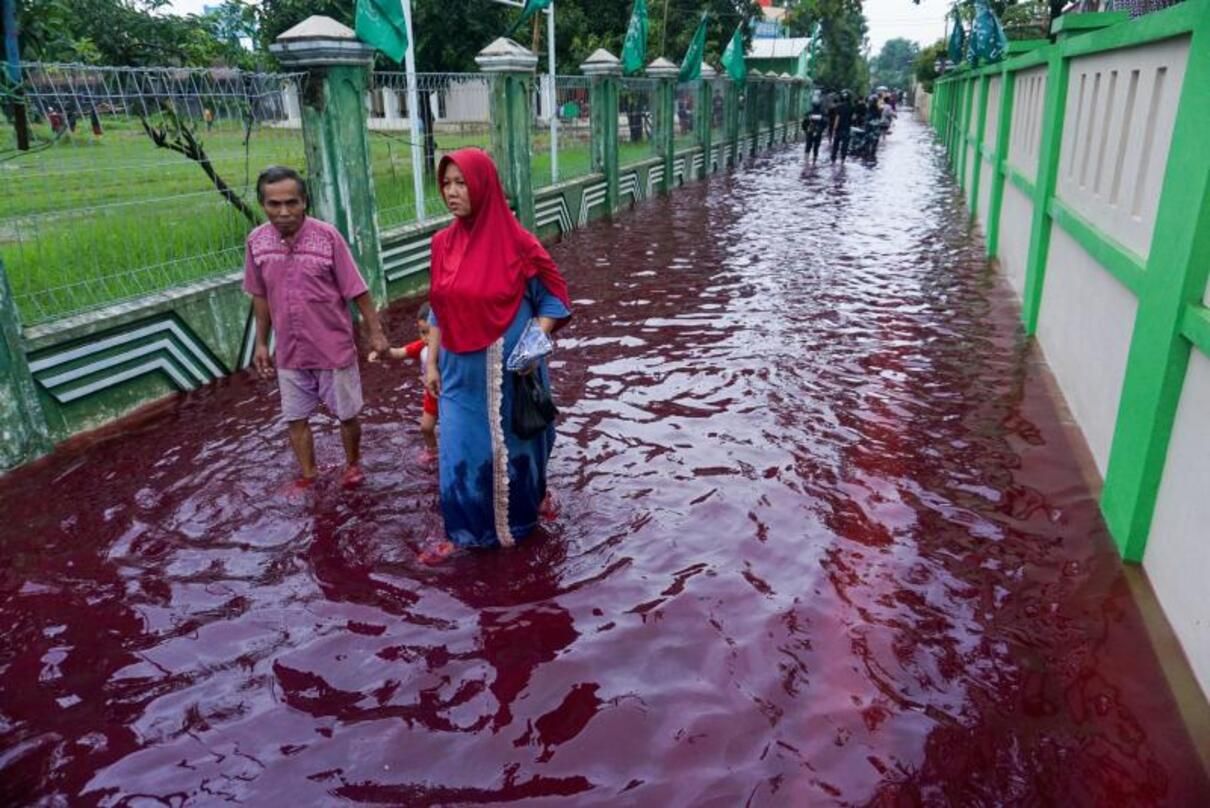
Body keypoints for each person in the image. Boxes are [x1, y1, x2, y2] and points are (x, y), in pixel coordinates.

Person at [421, 148, 572, 562]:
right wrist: (431, 362)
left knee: (519, 450)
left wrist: (530, 347)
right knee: (458, 451)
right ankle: (464, 532)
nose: (452, 192)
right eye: (446, 184)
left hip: (510, 375)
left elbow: (556, 301)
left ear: (483, 185)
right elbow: (438, 306)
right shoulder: (442, 245)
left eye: (461, 183)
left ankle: (523, 521)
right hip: (458, 376)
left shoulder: (519, 245)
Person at [243, 165, 390, 490]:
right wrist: (262, 344)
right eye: (274, 204)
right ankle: (309, 475)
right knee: (295, 418)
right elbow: (260, 295)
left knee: (347, 414)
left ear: (304, 202)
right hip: (290, 352)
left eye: (291, 203)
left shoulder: (327, 237)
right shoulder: (256, 243)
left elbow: (357, 290)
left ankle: (352, 465)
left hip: (332, 347)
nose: (284, 212)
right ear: (262, 204)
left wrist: (375, 332)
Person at [368, 302, 439, 457]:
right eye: (422, 332)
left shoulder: (450, 348)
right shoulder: (421, 347)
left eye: (430, 332)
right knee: (426, 428)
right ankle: (432, 452)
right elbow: (399, 353)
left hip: (449, 394)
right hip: (431, 394)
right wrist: (383, 353)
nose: (426, 338)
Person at [830, 90, 854, 163]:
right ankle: (842, 161)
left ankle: (833, 160)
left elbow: (837, 118)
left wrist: (834, 129)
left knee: (836, 145)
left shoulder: (839, 107)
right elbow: (853, 118)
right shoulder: (852, 107)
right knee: (845, 145)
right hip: (847, 128)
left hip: (839, 129)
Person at [802, 96, 826, 164]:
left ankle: (806, 161)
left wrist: (805, 130)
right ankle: (814, 162)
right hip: (818, 132)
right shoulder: (822, 113)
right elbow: (825, 123)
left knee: (808, 146)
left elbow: (804, 123)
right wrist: (821, 130)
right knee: (816, 147)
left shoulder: (809, 113)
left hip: (810, 132)